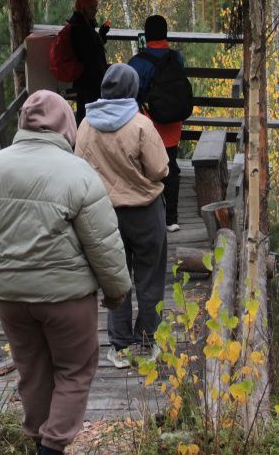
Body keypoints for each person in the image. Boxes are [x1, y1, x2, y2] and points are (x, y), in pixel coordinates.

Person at [0, 90, 131, 455]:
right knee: (75, 368)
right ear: (65, 125)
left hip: (8, 296)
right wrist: (116, 291)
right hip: (65, 298)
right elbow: (102, 242)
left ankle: (39, 441)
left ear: (23, 122)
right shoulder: (79, 174)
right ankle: (52, 448)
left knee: (32, 371)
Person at [76, 64, 170, 369]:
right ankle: (148, 341)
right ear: (132, 90)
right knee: (149, 276)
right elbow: (160, 169)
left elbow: (78, 169)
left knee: (115, 279)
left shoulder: (86, 125)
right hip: (144, 212)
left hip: (104, 213)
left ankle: (118, 347)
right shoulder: (141, 125)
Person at [128, 15, 187, 233]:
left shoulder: (138, 63)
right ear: (165, 34)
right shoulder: (176, 58)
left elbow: (131, 95)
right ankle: (171, 219)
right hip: (173, 123)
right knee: (171, 166)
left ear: (147, 35)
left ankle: (149, 216)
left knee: (145, 168)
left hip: (148, 123)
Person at [68, 0, 110, 123]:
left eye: (96, 7)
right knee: (88, 115)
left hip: (86, 81)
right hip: (90, 82)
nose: (96, 11)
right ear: (83, 8)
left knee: (84, 112)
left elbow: (92, 49)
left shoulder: (82, 26)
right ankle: (84, 140)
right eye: (92, 7)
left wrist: (101, 35)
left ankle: (82, 139)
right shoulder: (81, 29)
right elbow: (90, 54)